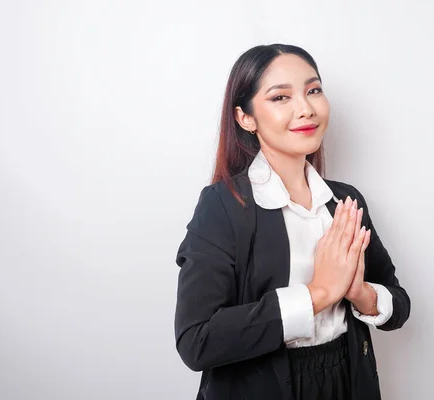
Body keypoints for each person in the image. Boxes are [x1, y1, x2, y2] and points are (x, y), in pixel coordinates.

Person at [174, 44, 411, 400]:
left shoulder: (345, 201)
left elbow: (399, 305)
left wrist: (360, 293)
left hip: (347, 381)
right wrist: (319, 294)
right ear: (245, 118)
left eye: (313, 90)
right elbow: (197, 340)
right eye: (280, 97)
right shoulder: (223, 204)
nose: (306, 108)